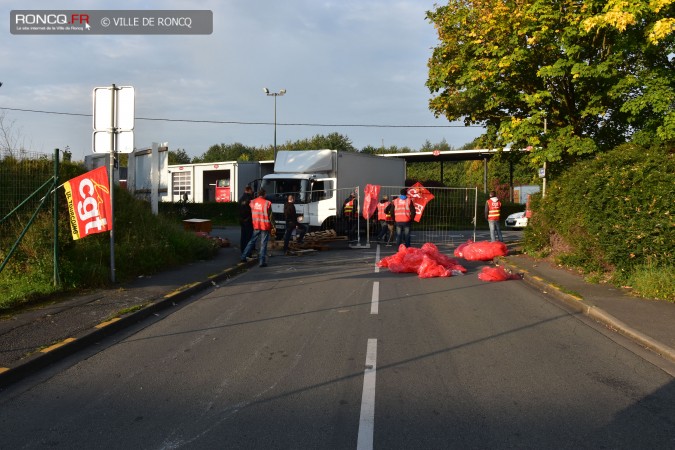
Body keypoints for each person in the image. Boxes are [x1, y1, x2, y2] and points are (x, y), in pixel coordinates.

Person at [241, 188, 276, 267]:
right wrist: (273, 226)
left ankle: (243, 256)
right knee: (263, 244)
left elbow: (248, 209)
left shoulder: (252, 202)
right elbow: (271, 217)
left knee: (252, 241)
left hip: (256, 225)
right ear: (264, 194)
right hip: (264, 226)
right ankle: (261, 262)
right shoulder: (267, 203)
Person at [238, 186, 254, 252]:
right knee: (249, 237)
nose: (252, 192)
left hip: (242, 220)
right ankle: (248, 252)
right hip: (248, 220)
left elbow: (239, 209)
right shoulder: (250, 198)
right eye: (251, 190)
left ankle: (242, 250)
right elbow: (252, 210)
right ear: (249, 190)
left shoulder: (241, 198)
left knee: (243, 236)